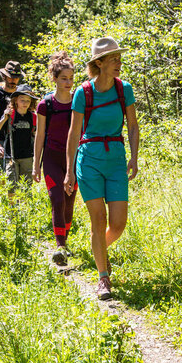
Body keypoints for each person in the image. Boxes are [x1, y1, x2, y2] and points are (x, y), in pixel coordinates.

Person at [64, 37, 139, 299]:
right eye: (114, 59)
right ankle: (103, 278)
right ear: (99, 63)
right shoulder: (83, 93)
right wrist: (69, 170)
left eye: (119, 58)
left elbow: (132, 125)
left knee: (118, 224)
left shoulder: (124, 89)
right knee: (99, 220)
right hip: (89, 160)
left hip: (116, 160)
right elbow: (73, 134)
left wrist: (134, 157)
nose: (119, 63)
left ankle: (97, 249)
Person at [33, 52, 78, 265]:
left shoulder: (79, 101)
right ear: (54, 78)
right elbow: (40, 136)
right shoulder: (45, 105)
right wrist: (35, 165)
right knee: (57, 198)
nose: (68, 82)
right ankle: (60, 245)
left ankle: (64, 244)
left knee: (69, 203)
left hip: (74, 159)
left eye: (71, 78)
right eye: (63, 78)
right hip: (51, 158)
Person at [0, 83, 37, 198]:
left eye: (28, 100)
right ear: (16, 100)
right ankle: (13, 213)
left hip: (27, 156)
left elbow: (36, 135)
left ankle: (25, 212)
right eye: (22, 100)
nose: (25, 103)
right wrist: (5, 118)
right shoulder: (10, 115)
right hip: (11, 156)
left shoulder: (33, 117)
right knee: (11, 186)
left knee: (26, 187)